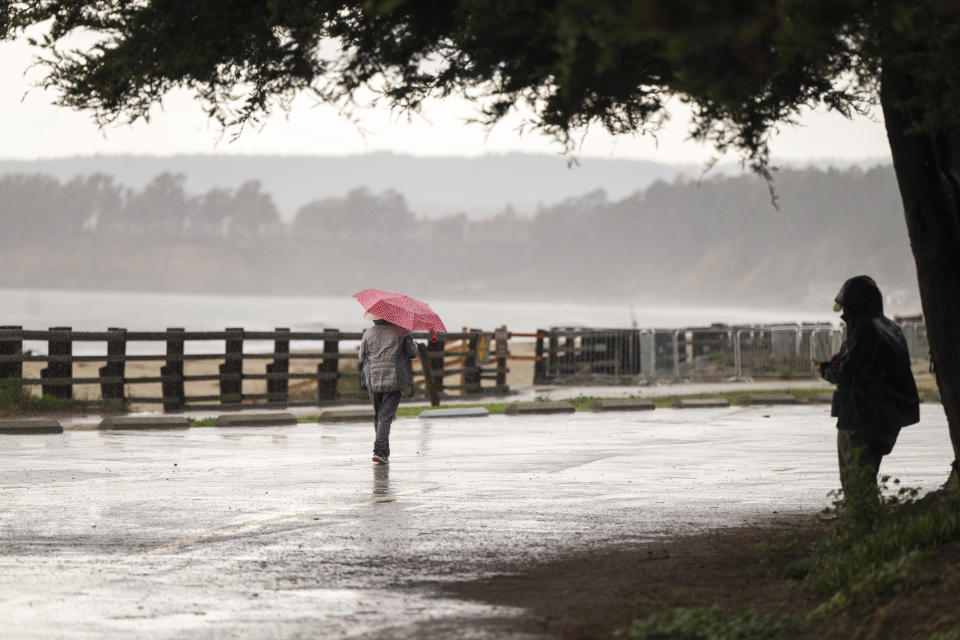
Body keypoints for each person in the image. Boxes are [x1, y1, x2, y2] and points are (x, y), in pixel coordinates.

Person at [813, 275, 920, 496]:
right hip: (887, 417)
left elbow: (850, 372)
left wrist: (824, 370)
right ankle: (869, 525)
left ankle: (864, 526)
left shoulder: (864, 330)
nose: (843, 314)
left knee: (857, 484)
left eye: (845, 308)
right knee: (867, 475)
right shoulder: (890, 328)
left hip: (859, 416)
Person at [359, 314, 418, 464]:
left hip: (372, 378)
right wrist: (409, 338)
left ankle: (383, 452)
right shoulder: (400, 332)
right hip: (393, 377)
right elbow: (412, 353)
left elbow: (361, 356)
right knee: (385, 416)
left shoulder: (368, 333)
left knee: (378, 415)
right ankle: (379, 451)